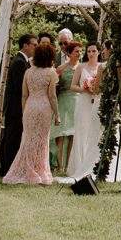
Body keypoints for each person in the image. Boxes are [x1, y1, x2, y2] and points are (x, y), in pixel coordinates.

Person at [2, 43, 60, 185]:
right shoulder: (51, 73)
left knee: (27, 139)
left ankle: (27, 169)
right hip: (44, 108)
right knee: (42, 140)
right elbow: (52, 96)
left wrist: (24, 112)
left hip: (30, 107)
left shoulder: (28, 72)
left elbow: (24, 95)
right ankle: (40, 170)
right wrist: (57, 114)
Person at [0, 33, 35, 177]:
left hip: (16, 107)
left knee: (12, 138)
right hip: (15, 107)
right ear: (25, 45)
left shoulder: (23, 61)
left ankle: (8, 168)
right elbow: (20, 87)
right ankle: (7, 169)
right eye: (34, 45)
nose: (35, 48)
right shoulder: (19, 62)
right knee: (12, 139)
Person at [63, 41, 103, 180]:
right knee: (81, 133)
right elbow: (73, 86)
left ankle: (93, 165)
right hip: (83, 103)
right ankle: (79, 166)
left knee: (94, 133)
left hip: (96, 103)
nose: (90, 54)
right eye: (88, 51)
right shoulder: (81, 66)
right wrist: (84, 89)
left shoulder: (101, 67)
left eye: (93, 51)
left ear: (99, 52)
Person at [51, 32, 82, 173]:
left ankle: (69, 164)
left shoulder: (82, 68)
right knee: (61, 134)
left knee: (73, 135)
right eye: (76, 52)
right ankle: (59, 165)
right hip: (64, 101)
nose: (79, 54)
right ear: (69, 53)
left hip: (77, 102)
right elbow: (52, 83)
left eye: (80, 52)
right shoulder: (61, 68)